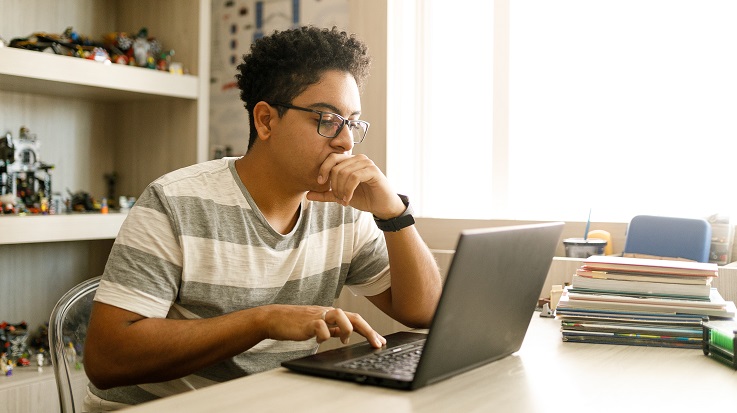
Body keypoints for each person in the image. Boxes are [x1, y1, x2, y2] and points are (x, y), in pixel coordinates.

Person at [83, 26, 442, 409]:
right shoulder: (175, 202)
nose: (345, 141)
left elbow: (422, 311)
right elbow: (107, 360)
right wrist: (262, 320)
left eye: (352, 122)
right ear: (266, 121)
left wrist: (394, 214)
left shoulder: (342, 211)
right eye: (327, 119)